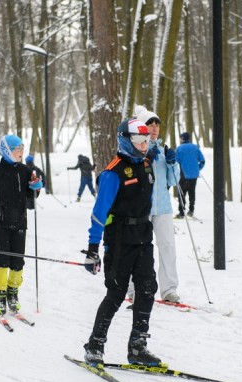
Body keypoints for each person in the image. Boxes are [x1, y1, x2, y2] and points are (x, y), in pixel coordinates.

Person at [81, 118, 162, 367]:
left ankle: (138, 346)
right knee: (116, 293)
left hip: (143, 238)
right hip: (119, 242)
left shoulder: (147, 165)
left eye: (146, 140)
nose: (143, 145)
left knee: (147, 290)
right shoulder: (112, 172)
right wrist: (93, 249)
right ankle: (95, 345)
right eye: (138, 141)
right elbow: (99, 212)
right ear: (125, 140)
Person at [0, 135, 42, 316]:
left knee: (18, 261)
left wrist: (36, 189)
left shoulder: (26, 171)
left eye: (22, 148)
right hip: (0, 224)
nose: (21, 152)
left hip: (20, 223)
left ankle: (12, 294)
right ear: (6, 150)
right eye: (17, 149)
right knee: (2, 261)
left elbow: (30, 200)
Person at [134, 106, 181, 304]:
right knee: (139, 249)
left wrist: (173, 163)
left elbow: (174, 181)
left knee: (168, 247)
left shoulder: (163, 151)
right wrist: (145, 159)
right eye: (149, 124)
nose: (154, 128)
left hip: (162, 207)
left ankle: (169, 289)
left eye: (156, 125)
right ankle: (135, 289)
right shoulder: (135, 149)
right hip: (141, 208)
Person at [175, 132, 205, 218]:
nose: (180, 139)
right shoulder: (195, 147)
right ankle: (191, 210)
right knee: (192, 192)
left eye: (181, 138)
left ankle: (181, 212)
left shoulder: (179, 149)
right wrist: (197, 168)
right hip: (194, 175)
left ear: (183, 139)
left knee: (181, 193)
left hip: (184, 175)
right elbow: (202, 161)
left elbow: (175, 160)